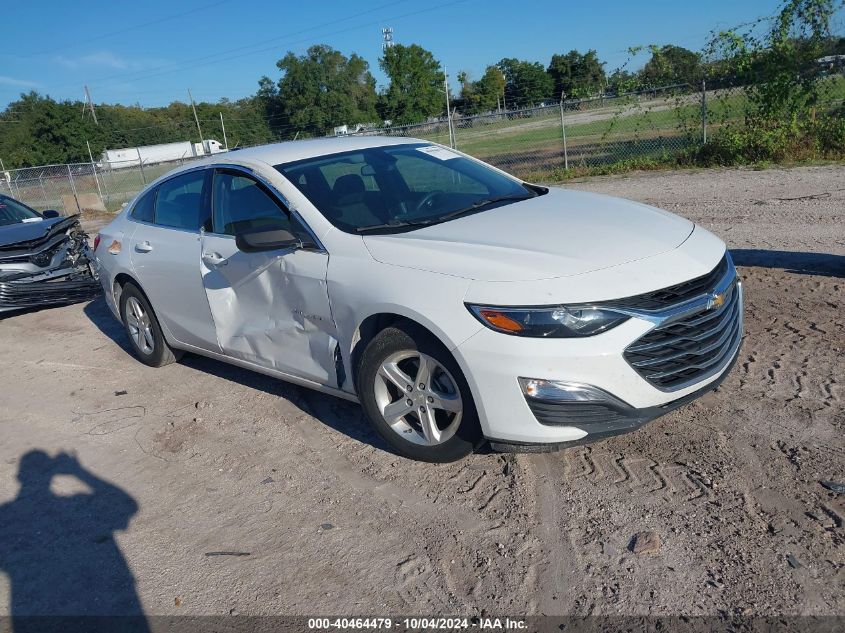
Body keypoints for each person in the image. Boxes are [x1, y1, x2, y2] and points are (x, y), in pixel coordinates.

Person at [0, 450, 148, 632]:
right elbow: (128, 504)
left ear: (19, 476)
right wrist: (79, 472)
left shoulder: (6, 514)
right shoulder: (75, 502)